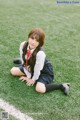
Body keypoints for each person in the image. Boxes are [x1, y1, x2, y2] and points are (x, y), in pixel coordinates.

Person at [10, 28, 70, 95]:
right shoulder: (23, 44)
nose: (33, 42)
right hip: (32, 67)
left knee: (39, 89)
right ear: (28, 37)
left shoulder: (40, 54)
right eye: (32, 38)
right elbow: (23, 58)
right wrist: (27, 73)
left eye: (37, 40)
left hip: (44, 71)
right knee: (13, 71)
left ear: (40, 43)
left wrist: (32, 79)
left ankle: (61, 86)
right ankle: (23, 61)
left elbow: (38, 69)